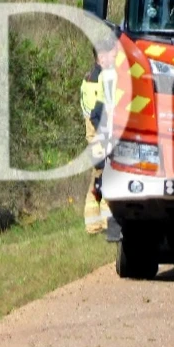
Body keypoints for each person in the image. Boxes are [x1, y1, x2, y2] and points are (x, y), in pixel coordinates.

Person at [80, 38, 118, 236]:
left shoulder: (90, 77)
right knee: (104, 178)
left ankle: (93, 225)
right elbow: (97, 115)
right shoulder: (97, 79)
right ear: (101, 56)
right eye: (111, 53)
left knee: (96, 178)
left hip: (94, 135)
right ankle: (104, 224)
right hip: (98, 135)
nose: (114, 56)